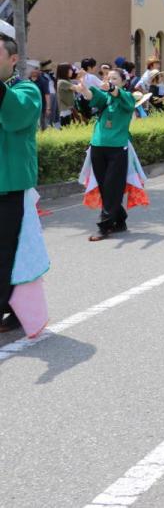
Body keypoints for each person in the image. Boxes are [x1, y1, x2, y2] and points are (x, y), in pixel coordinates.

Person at [0, 31, 50, 336]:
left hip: (11, 187)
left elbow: (15, 117)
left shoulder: (26, 90)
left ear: (13, 59)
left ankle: (12, 307)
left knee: (8, 252)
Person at [74, 67, 147, 240]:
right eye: (109, 78)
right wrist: (84, 90)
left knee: (112, 187)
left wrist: (113, 90)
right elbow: (93, 97)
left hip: (117, 148)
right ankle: (120, 219)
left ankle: (104, 226)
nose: (111, 80)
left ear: (123, 81)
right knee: (105, 187)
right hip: (97, 145)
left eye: (115, 78)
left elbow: (127, 103)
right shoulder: (104, 97)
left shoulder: (127, 97)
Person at [55, 63, 78, 127]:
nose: (72, 71)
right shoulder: (62, 82)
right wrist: (81, 78)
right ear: (64, 71)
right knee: (67, 129)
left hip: (68, 110)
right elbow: (78, 88)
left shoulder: (65, 81)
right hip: (65, 111)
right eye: (70, 69)